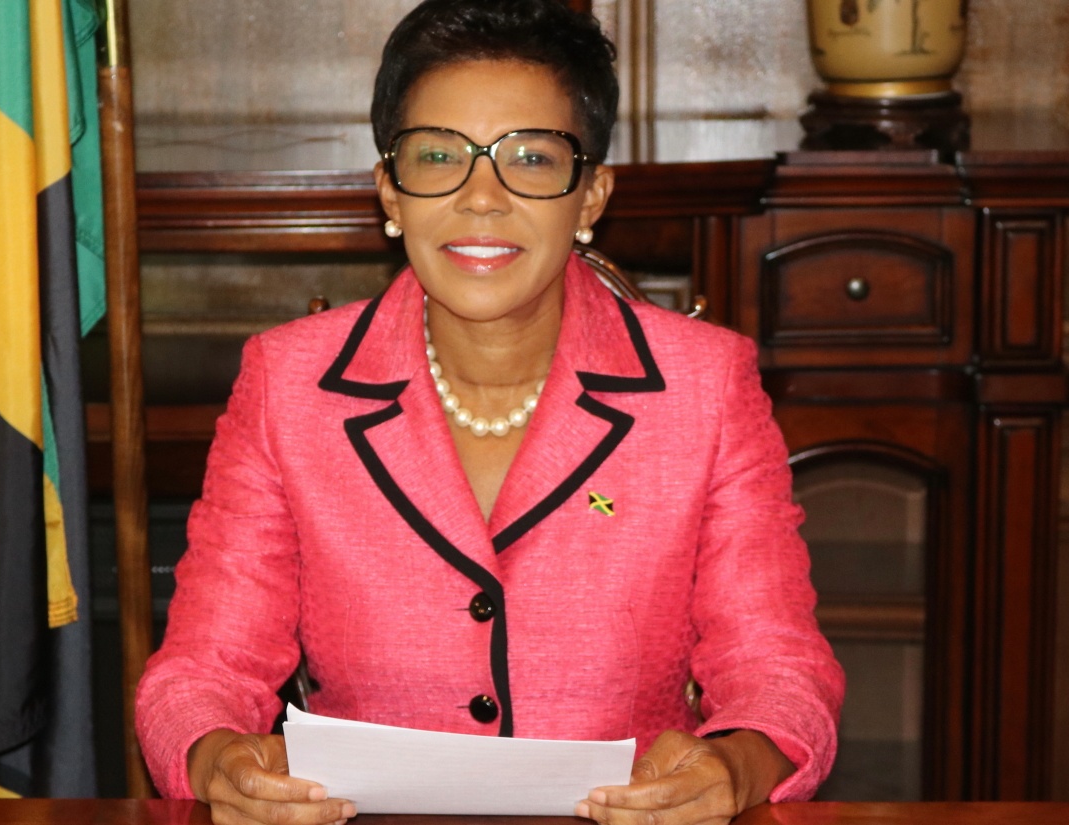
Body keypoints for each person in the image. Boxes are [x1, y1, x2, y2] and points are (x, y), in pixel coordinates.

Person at [136, 2, 844, 824]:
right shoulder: (290, 384)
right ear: (389, 192)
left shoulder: (704, 386)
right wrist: (215, 754)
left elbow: (778, 668)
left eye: (531, 160)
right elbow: (200, 670)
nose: (482, 199)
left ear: (589, 199)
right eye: (438, 156)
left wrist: (736, 765)